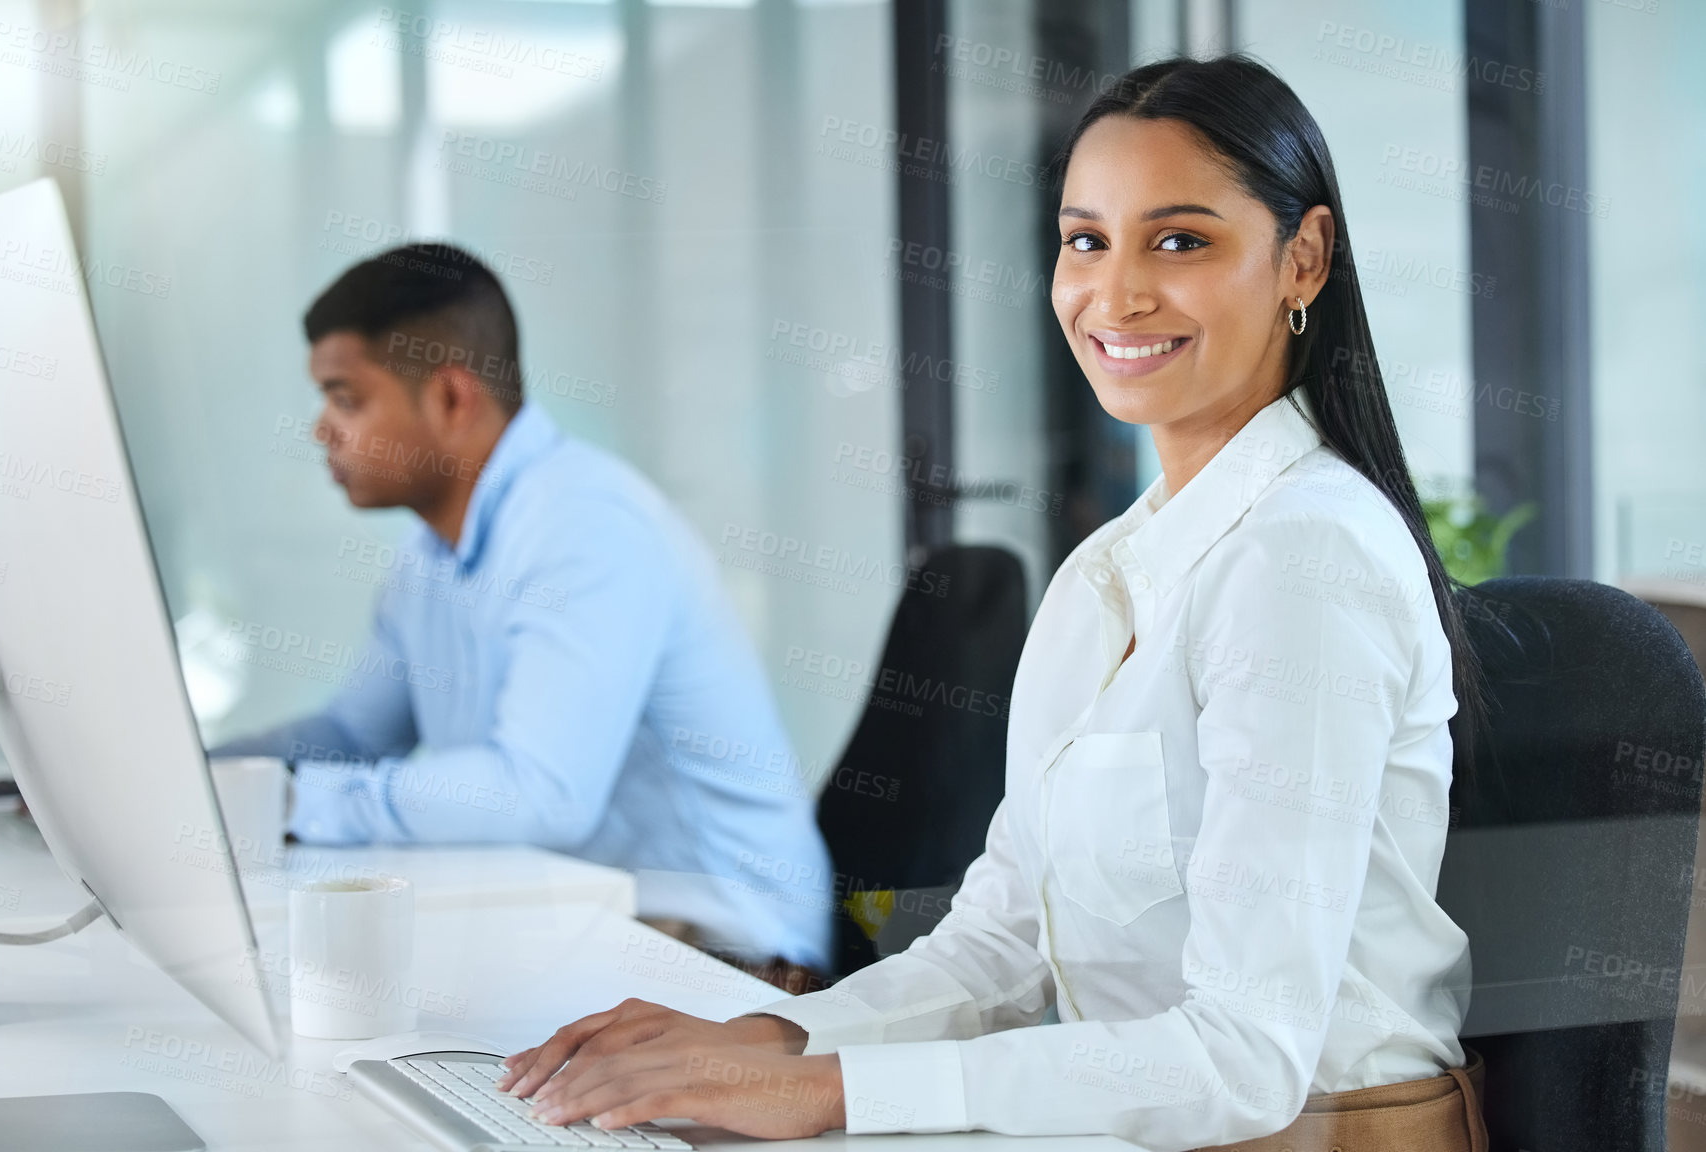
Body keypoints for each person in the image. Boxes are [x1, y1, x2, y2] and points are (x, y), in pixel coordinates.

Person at [493, 55, 1489, 1149]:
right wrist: (771, 1041)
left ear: (1303, 259)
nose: (1116, 293)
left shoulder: (1309, 561)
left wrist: (829, 1096)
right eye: (1085, 240)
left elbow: (1246, 1056)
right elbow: (1000, 952)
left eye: (1180, 240)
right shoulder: (1108, 574)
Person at [216, 243, 832, 979]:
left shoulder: (583, 526)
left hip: (726, 951)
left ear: (449, 398)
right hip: (589, 918)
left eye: (346, 398)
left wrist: (286, 803)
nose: (323, 430)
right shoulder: (431, 552)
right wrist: (205, 780)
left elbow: (540, 795)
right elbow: (354, 732)